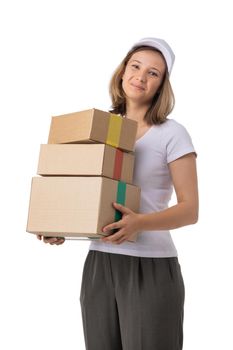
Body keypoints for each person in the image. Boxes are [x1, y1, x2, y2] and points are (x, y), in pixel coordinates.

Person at [37, 37, 198, 350]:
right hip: (99, 263)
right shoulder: (101, 127)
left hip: (149, 265)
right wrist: (58, 225)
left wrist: (138, 223)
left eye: (153, 73)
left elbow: (190, 210)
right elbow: (83, 191)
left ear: (163, 84)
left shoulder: (172, 133)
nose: (141, 76)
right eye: (135, 66)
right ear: (123, 71)